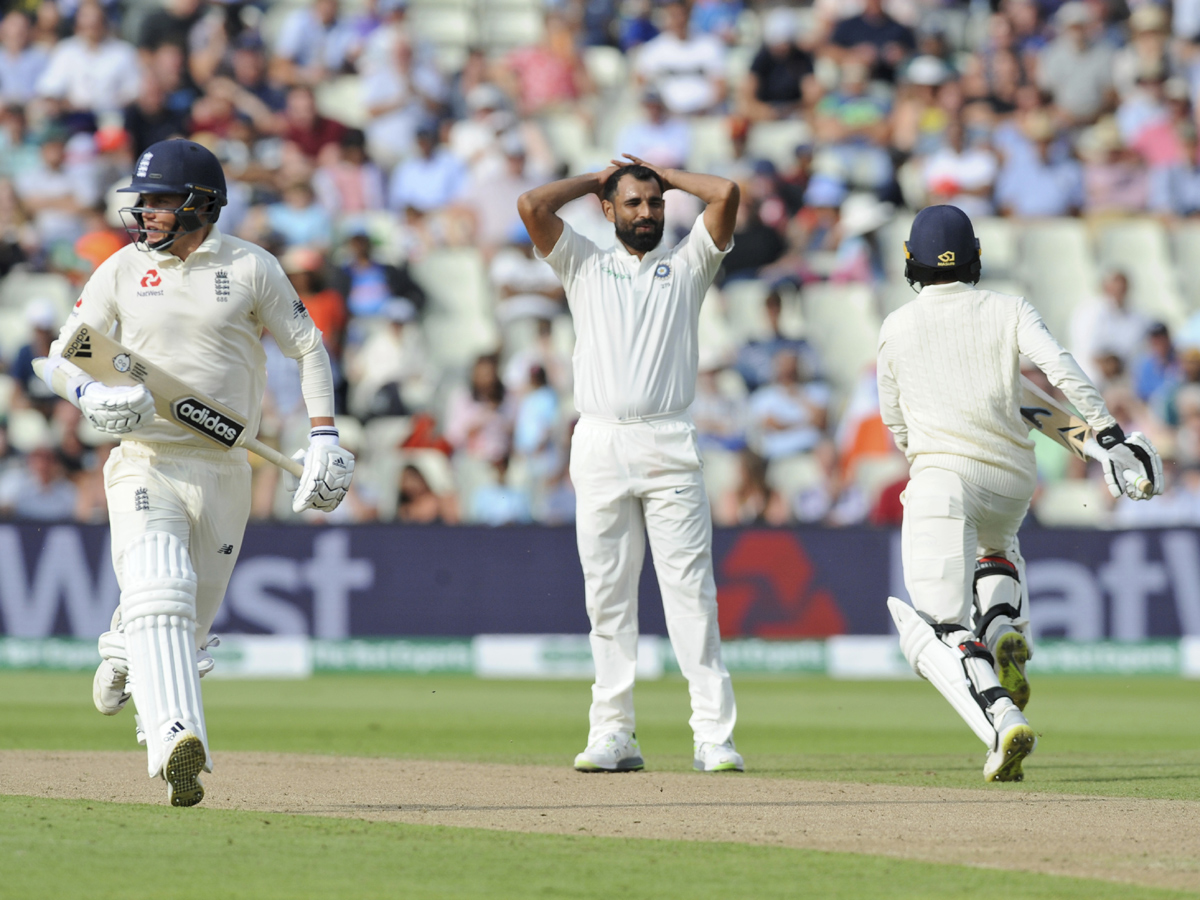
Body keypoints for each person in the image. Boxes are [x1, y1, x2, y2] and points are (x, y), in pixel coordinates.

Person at [37, 139, 355, 807]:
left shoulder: (249, 267)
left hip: (225, 466)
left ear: (200, 204)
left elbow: (308, 349)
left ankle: (124, 645)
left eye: (158, 201)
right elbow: (66, 355)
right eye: (142, 201)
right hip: (145, 458)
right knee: (163, 584)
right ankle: (177, 740)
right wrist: (93, 396)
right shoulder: (121, 271)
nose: (144, 212)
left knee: (188, 623)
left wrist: (323, 434)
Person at [876, 206, 1162, 783]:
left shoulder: (896, 327)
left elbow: (896, 424)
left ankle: (1001, 718)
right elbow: (1054, 372)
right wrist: (1105, 436)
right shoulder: (1008, 309)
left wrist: (934, 451)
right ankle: (1004, 626)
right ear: (975, 256)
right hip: (1010, 482)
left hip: (941, 477)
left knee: (935, 628)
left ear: (912, 262)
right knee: (996, 548)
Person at [518, 153, 742, 774]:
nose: (647, 213)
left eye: (655, 203)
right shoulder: (584, 262)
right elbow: (533, 206)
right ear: (608, 210)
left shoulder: (688, 263)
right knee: (607, 597)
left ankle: (712, 736)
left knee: (691, 594)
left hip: (668, 441)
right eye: (634, 203)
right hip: (600, 442)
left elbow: (724, 192)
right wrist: (597, 179)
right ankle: (614, 732)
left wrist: (665, 177)